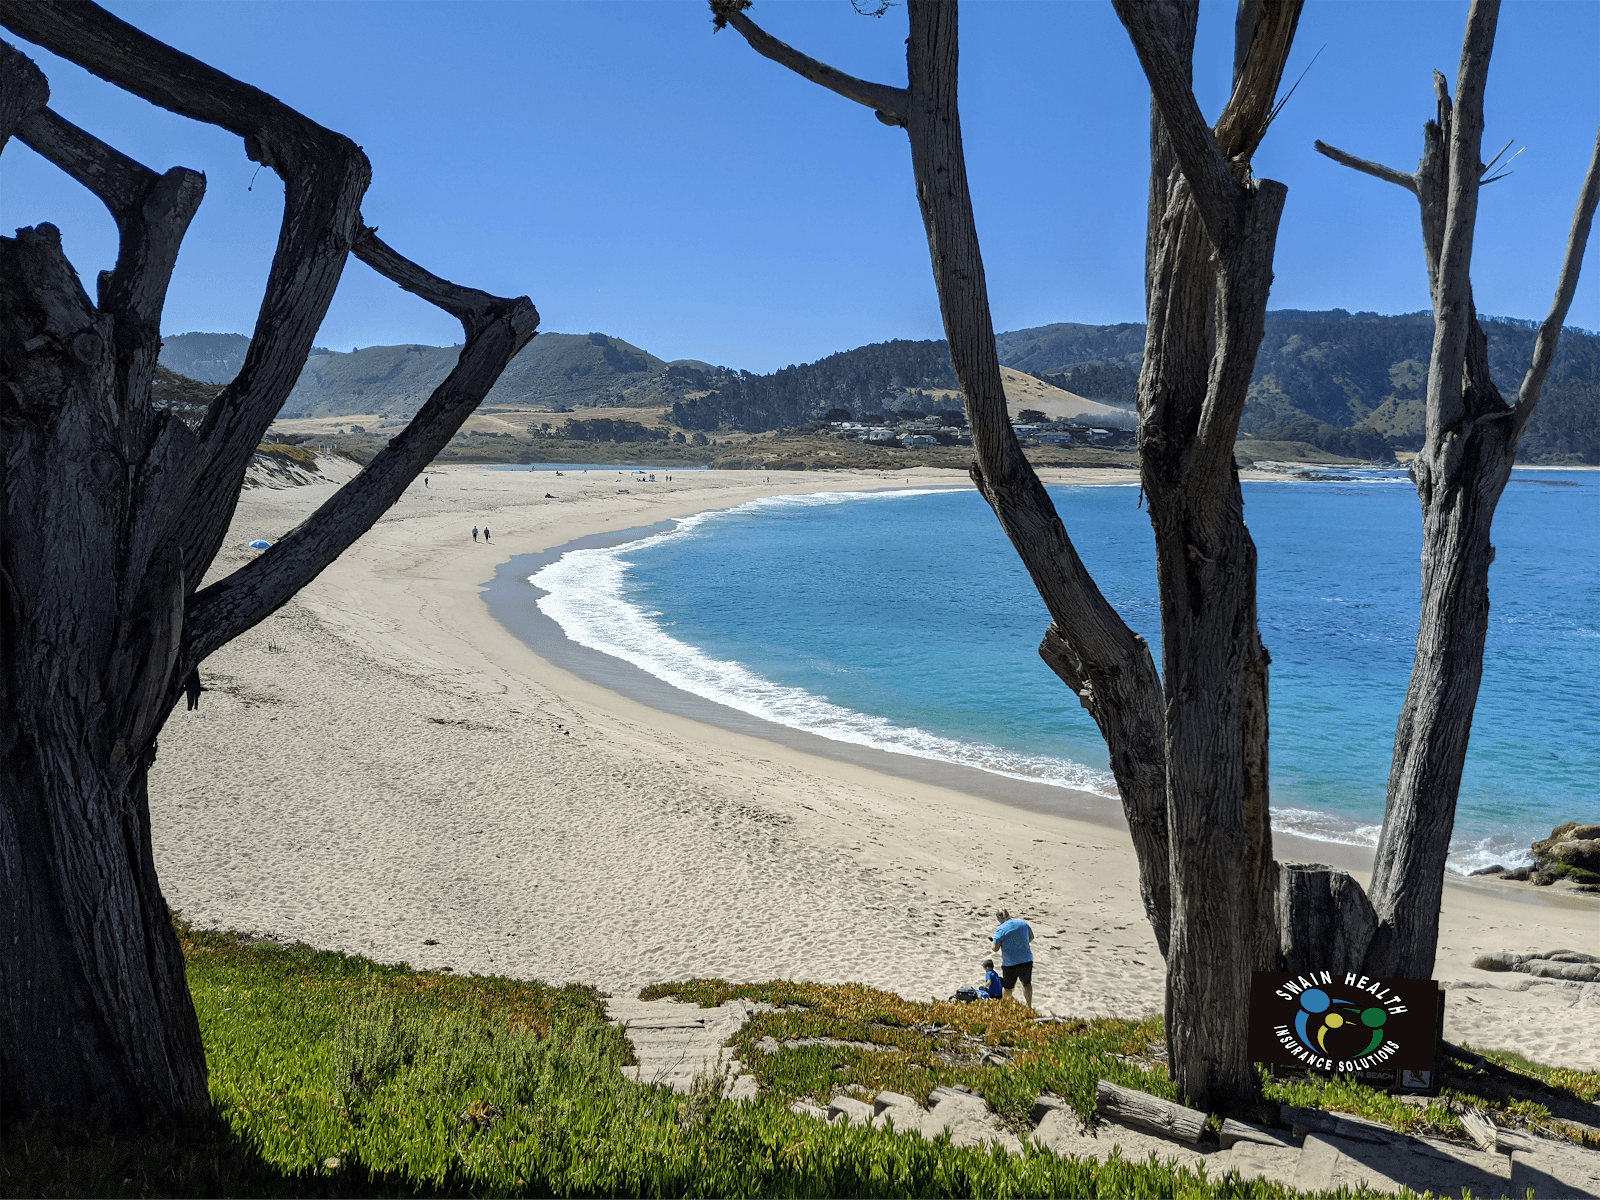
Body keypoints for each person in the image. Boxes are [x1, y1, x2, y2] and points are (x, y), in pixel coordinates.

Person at [991, 909, 1034, 1010]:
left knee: (1008, 987)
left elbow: (995, 949)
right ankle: (1029, 1006)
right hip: (1026, 959)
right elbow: (1031, 937)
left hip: (1010, 963)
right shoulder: (1022, 923)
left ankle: (1006, 1007)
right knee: (1026, 984)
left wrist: (995, 942)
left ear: (999, 918)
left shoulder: (1000, 929)